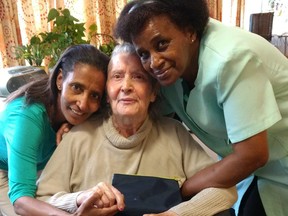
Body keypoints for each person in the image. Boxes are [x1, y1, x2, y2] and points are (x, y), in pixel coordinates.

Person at [113, 0, 288, 215]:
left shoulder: (231, 59)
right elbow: (151, 112)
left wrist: (182, 189)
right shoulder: (170, 69)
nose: (154, 62)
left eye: (161, 44)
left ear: (190, 32)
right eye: (144, 54)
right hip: (246, 167)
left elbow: (252, 155)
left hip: (279, 164)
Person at [35, 42, 237, 216]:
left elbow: (224, 190)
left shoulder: (174, 133)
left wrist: (177, 213)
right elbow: (42, 198)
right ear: (106, 93)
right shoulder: (79, 137)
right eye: (117, 76)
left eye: (138, 77)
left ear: (153, 92)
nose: (126, 86)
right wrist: (79, 199)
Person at [0, 44, 110, 216]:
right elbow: (21, 200)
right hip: (4, 171)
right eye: (77, 88)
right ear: (60, 79)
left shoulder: (78, 117)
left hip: (38, 167)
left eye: (94, 95)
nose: (83, 104)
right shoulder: (27, 117)